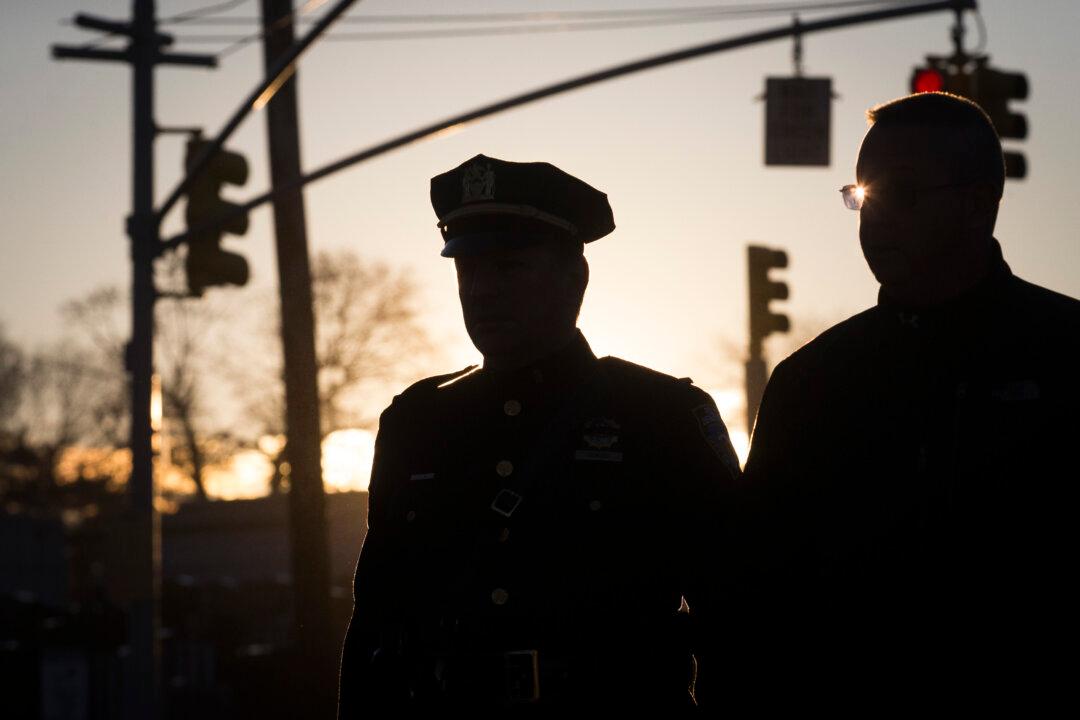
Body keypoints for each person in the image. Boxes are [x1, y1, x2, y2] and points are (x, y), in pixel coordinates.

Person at [337, 155, 741, 712]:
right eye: (467, 270)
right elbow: (376, 627)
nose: (480, 291)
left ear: (575, 277)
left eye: (508, 267)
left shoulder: (660, 415)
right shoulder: (417, 422)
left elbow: (737, 620)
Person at [741, 92, 1080, 706]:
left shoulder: (1068, 356)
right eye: (863, 195)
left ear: (979, 204)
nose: (873, 218)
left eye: (902, 193)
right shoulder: (809, 383)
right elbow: (755, 608)